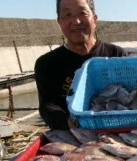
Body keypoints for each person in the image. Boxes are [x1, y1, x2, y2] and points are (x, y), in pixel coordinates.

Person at [35, 0, 127, 130]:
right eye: (67, 15)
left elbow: (129, 94)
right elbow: (48, 106)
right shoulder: (46, 64)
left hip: (117, 128)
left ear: (94, 19)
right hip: (73, 134)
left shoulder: (116, 54)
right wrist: (73, 124)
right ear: (59, 22)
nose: (76, 21)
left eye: (82, 13)